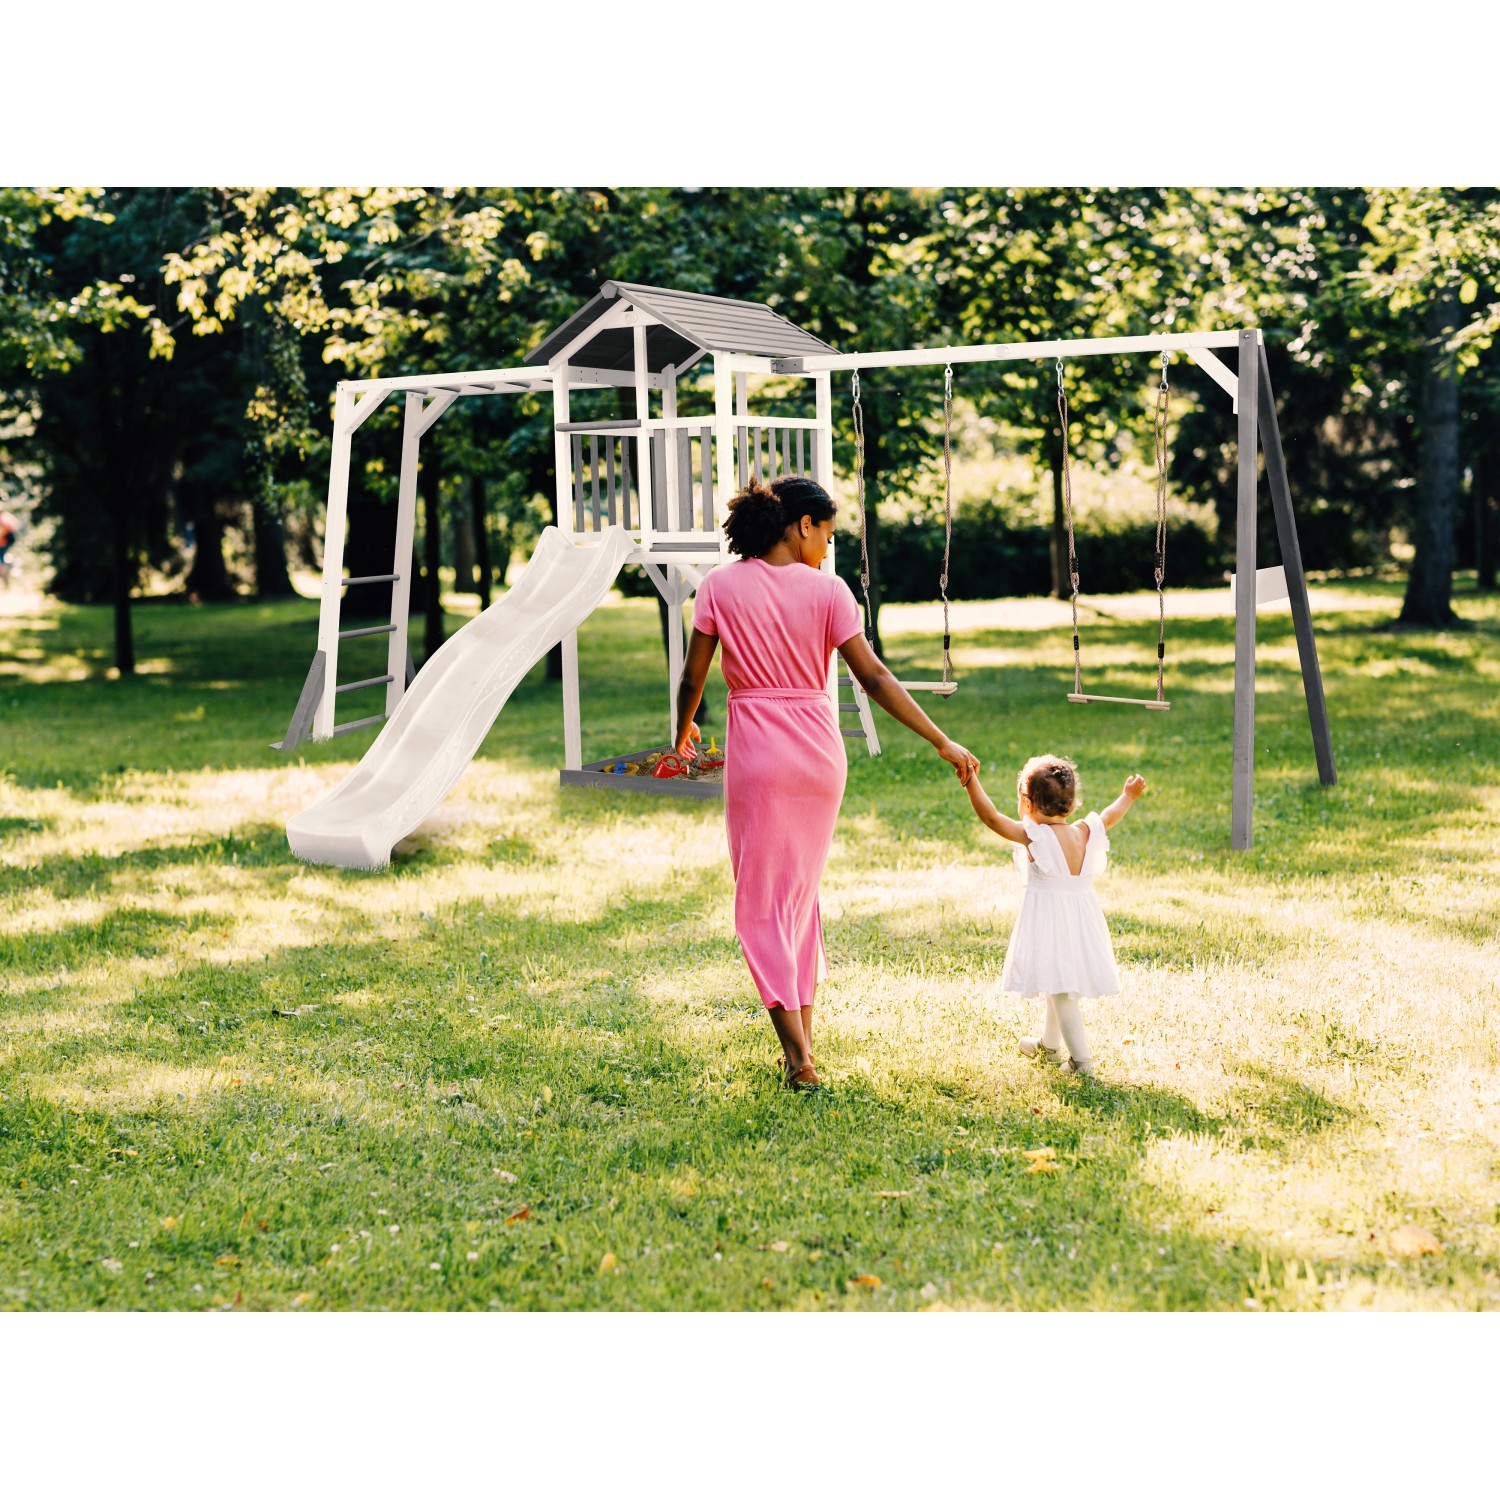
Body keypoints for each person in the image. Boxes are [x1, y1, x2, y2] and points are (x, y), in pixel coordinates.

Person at [674, 475, 979, 1091]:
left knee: (761, 903)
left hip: (759, 755)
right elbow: (875, 678)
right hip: (818, 755)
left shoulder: (719, 586)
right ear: (802, 525)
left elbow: (692, 678)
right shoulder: (829, 592)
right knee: (796, 899)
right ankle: (803, 1045)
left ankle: (797, 1058)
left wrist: (681, 734)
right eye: (828, 535)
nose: (828, 549)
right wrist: (940, 739)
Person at [959, 754, 1146, 1077]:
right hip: (1081, 921)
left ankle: (1082, 1062)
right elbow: (1109, 816)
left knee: (1061, 991)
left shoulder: (1035, 837)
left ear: (1027, 802)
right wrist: (1127, 796)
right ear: (1071, 806)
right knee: (1054, 981)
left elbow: (990, 818)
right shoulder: (1084, 831)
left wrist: (970, 780)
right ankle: (1048, 1044)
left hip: (1052, 922)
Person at [0, 507, 17, 585]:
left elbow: (2, 533)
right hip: (5, 543)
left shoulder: (2, 521)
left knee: (1, 561)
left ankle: (4, 580)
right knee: (2, 560)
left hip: (2, 543)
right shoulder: (6, 518)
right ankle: (5, 580)